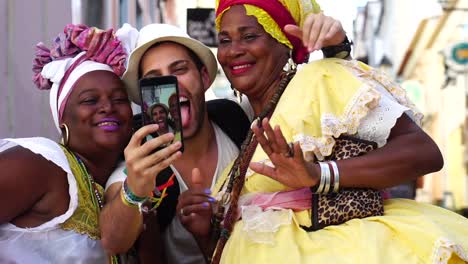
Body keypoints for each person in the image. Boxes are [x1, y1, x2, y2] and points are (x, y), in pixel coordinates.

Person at [179, 0, 468, 263]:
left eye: (250, 36)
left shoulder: (318, 79)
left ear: (285, 41)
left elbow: (423, 152)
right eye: (225, 40)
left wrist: (320, 175)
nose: (233, 50)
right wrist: (204, 232)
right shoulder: (251, 133)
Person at [100, 12, 351, 263]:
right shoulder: (139, 162)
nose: (172, 85)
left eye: (180, 69)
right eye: (156, 80)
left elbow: (323, 105)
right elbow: (113, 240)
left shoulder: (240, 121)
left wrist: (337, 49)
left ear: (205, 78)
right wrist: (134, 189)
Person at [0, 24, 138, 263]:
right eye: (90, 100)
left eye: (119, 98)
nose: (108, 107)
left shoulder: (123, 178)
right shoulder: (42, 164)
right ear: (62, 118)